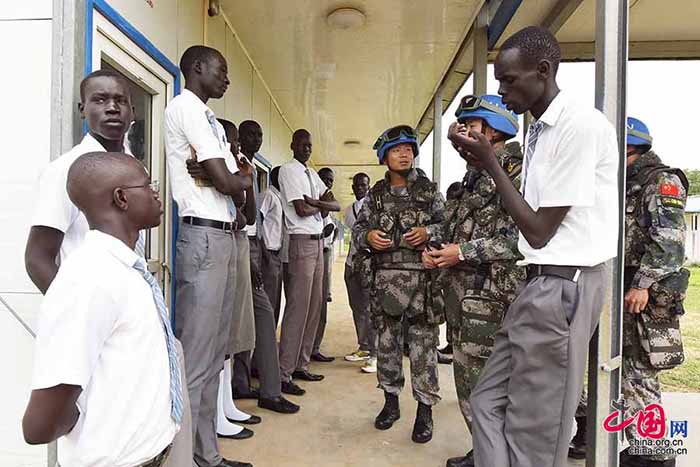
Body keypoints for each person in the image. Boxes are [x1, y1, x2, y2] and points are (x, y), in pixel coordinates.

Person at [448, 26, 618, 467]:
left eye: (509, 80)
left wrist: (490, 164)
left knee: (535, 437)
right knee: (485, 403)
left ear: (543, 71)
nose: (502, 91)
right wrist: (484, 159)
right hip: (538, 283)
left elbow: (538, 230)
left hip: (563, 284)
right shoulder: (540, 132)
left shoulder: (578, 126)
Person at [23, 152, 178, 467]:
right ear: (122, 198)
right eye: (148, 185)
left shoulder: (124, 269)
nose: (156, 193)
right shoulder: (89, 281)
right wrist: (95, 429)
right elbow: (40, 424)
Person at [572, 118, 688, 467]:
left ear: (628, 147)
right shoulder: (622, 183)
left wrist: (642, 283)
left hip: (643, 297)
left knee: (637, 375)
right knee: (607, 369)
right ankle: (597, 434)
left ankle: (653, 454)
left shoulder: (660, 181)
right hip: (616, 291)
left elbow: (670, 243)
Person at [425, 95, 525, 467]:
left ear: (494, 129)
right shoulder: (473, 177)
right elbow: (459, 229)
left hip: (496, 300)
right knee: (470, 382)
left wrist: (462, 252)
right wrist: (437, 248)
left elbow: (526, 237)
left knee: (491, 386)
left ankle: (499, 455)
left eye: (471, 124)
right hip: (465, 301)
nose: (462, 132)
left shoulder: (518, 172)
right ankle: (484, 450)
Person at [164, 45, 252, 467]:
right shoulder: (187, 108)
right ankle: (186, 459)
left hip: (223, 237)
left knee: (215, 356)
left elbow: (234, 180)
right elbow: (226, 179)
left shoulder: (209, 118)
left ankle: (208, 456)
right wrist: (232, 178)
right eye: (222, 69)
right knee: (197, 362)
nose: (227, 79)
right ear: (197, 68)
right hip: (202, 237)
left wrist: (236, 177)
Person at [353, 125, 445, 443]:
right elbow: (357, 229)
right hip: (386, 284)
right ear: (384, 157)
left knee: (423, 349)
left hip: (422, 284)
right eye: (396, 150)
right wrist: (367, 236)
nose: (404, 154)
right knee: (388, 346)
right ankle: (390, 404)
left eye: (408, 148)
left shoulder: (429, 191)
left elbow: (449, 225)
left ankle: (425, 412)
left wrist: (429, 233)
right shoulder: (375, 196)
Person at [25, 69, 135, 293]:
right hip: (91, 301)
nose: (112, 108)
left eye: (120, 100)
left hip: (129, 298)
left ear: (132, 112)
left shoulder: (134, 167)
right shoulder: (65, 170)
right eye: (100, 100)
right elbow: (37, 259)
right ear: (82, 110)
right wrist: (73, 310)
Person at [236, 120, 301, 415]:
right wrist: (253, 257)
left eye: (260, 133)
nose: (257, 138)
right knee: (260, 316)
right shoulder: (238, 165)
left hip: (254, 247)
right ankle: (268, 390)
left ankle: (246, 383)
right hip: (242, 246)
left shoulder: (249, 169)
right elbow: (248, 218)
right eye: (251, 133)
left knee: (251, 317)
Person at [277, 129, 340, 395]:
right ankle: (284, 373)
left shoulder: (312, 174)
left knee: (314, 307)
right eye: (302, 144)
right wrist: (319, 205)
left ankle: (302, 364)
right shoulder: (288, 171)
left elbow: (334, 204)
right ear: (292, 145)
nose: (306, 149)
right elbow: (301, 210)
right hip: (301, 242)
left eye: (309, 145)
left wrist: (317, 202)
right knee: (298, 308)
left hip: (318, 242)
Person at [342, 172, 378, 373]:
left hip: (368, 264)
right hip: (351, 263)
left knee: (370, 309)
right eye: (356, 184)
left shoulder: (374, 208)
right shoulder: (349, 210)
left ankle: (374, 354)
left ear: (369, 185)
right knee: (356, 307)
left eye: (363, 184)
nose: (359, 188)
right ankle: (363, 347)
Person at [311, 167, 338, 363]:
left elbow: (332, 228)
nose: (328, 184)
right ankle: (308, 347)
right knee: (311, 305)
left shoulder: (327, 201)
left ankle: (315, 347)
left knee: (321, 305)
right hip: (311, 252)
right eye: (325, 180)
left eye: (330, 181)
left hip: (325, 253)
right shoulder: (313, 199)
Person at [260, 166, 284, 325]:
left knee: (275, 299)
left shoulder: (280, 197)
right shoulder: (267, 195)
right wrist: (265, 253)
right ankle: (264, 343)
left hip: (277, 254)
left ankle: (271, 338)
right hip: (267, 253)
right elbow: (256, 222)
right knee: (268, 300)